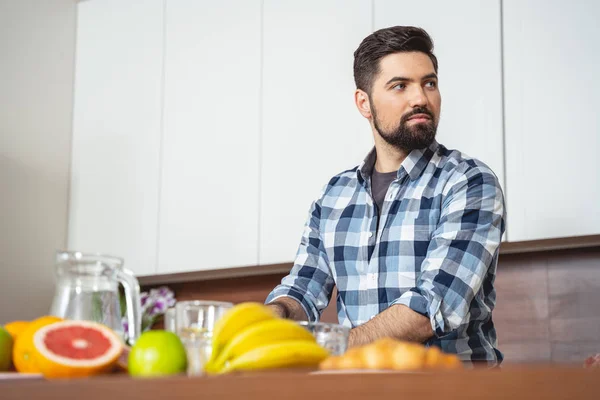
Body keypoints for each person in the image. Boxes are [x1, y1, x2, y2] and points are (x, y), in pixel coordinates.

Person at [265, 26, 506, 365]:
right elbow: (303, 289)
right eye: (400, 86)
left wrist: (327, 349)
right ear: (364, 103)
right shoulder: (334, 196)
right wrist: (273, 315)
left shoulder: (468, 182)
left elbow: (430, 307)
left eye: (429, 83)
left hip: (452, 389)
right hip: (359, 387)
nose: (420, 98)